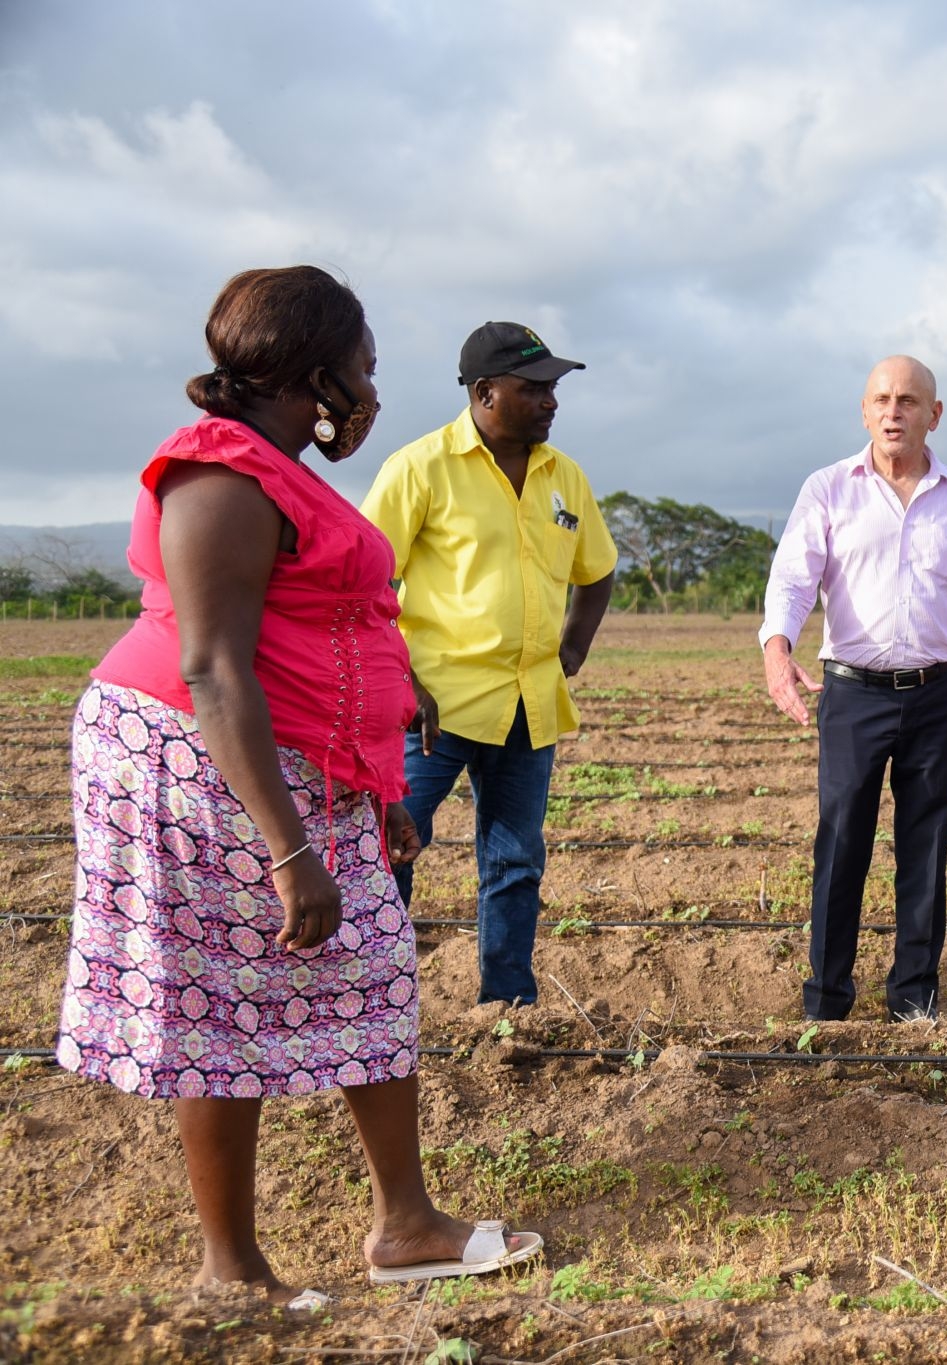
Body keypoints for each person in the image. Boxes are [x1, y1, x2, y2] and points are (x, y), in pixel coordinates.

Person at [54, 267, 540, 1306]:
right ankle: (233, 1269)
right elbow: (216, 667)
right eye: (362, 364)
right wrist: (290, 849)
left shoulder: (278, 468)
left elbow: (322, 640)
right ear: (309, 368)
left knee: (371, 968)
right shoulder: (220, 477)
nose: (370, 386)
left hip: (295, 761)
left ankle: (405, 1223)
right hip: (192, 756)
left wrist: (374, 792)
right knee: (216, 994)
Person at [362, 322, 617, 1007]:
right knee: (390, 849)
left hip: (529, 705)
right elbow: (363, 584)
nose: (550, 401)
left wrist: (570, 651)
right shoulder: (420, 468)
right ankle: (377, 999)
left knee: (515, 863)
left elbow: (598, 574)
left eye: (553, 388)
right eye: (534, 388)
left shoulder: (564, 476)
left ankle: (507, 1009)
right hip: (431, 711)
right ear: (484, 393)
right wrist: (403, 681)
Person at [760, 356, 947, 1022]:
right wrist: (777, 646)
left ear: (934, 414)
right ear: (864, 410)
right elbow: (793, 579)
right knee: (842, 838)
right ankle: (827, 999)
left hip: (938, 692)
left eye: (908, 400)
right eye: (881, 399)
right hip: (853, 692)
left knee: (926, 844)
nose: (893, 411)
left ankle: (914, 996)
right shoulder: (828, 488)